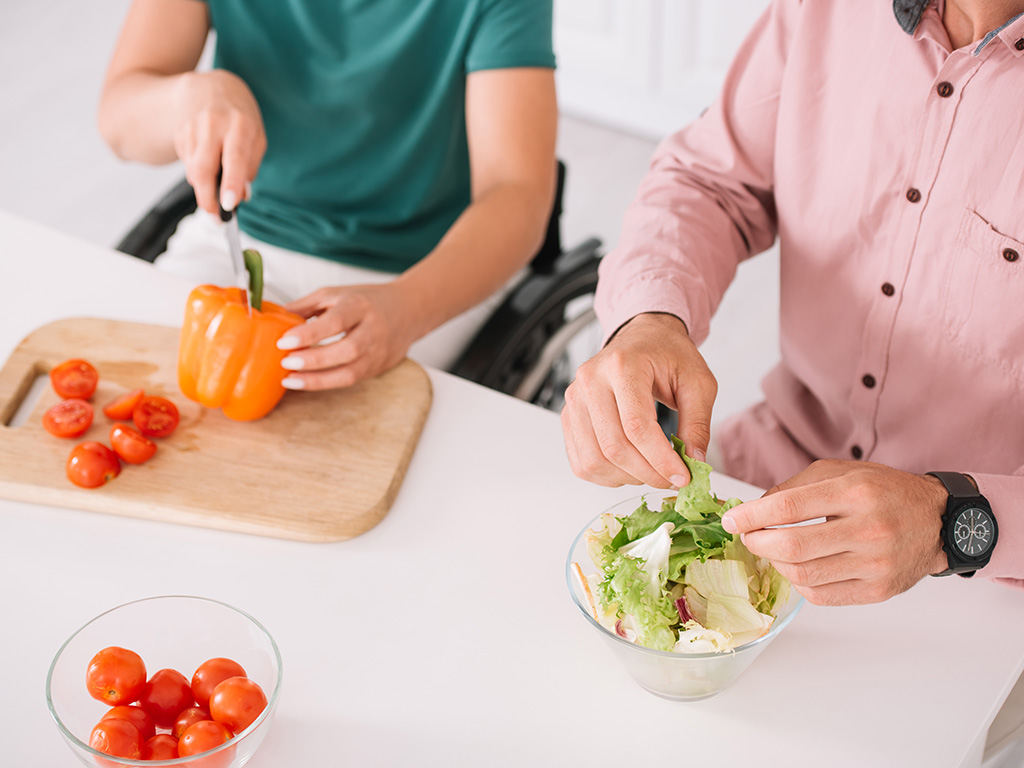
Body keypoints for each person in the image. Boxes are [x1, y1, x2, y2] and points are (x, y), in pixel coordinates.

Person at [561, 0, 1024, 759]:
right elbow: (710, 180)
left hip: (987, 591)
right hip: (766, 484)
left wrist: (953, 522)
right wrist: (647, 318)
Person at [98, 0, 557, 390]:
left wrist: (407, 308)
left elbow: (517, 192)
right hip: (239, 240)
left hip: (424, 276)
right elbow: (118, 118)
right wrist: (186, 98)